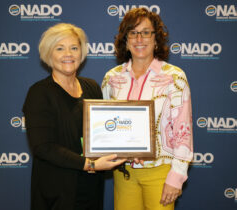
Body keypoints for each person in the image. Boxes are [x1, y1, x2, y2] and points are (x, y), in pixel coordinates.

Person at [23, 23, 126, 210]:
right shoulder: (39, 93)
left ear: (82, 53)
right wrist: (90, 165)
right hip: (58, 191)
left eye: (74, 48)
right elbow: (43, 147)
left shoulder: (91, 87)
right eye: (59, 48)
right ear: (48, 54)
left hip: (90, 189)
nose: (68, 54)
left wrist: (130, 151)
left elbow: (104, 135)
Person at [102, 8, 193, 210]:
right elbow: (104, 127)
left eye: (146, 32)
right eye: (132, 33)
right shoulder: (112, 78)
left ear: (156, 39)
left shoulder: (174, 77)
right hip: (123, 173)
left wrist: (176, 177)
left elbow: (183, 131)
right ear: (125, 40)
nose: (139, 38)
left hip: (160, 172)